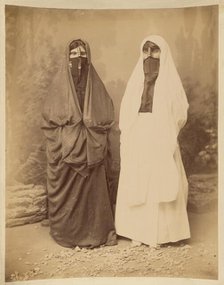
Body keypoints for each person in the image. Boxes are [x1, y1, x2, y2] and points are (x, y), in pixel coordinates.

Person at [115, 35, 191, 247]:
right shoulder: (135, 81)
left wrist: (164, 126)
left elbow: (180, 111)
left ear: (163, 53)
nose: (150, 55)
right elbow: (127, 110)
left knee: (160, 177)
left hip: (161, 133)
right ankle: (136, 231)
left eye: (155, 51)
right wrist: (133, 129)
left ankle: (162, 234)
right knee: (138, 177)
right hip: (138, 132)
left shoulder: (170, 82)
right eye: (146, 51)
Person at [41, 39, 117, 248]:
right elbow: (49, 120)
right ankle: (68, 232)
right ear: (67, 59)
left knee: (94, 187)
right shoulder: (58, 87)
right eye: (73, 55)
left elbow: (106, 113)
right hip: (67, 148)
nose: (78, 60)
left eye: (82, 55)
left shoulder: (96, 85)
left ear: (89, 58)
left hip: (92, 147)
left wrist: (90, 124)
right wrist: (70, 132)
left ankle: (97, 230)